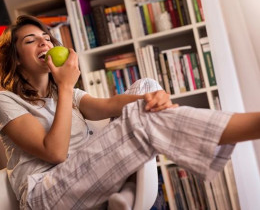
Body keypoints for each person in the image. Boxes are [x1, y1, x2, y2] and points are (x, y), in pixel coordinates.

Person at [0, 15, 259, 210]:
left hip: (87, 176)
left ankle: (127, 191)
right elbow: (55, 152)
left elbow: (111, 105)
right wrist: (66, 85)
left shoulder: (67, 96)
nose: (44, 42)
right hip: (45, 194)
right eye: (30, 41)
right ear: (17, 59)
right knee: (142, 120)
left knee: (146, 87)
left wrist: (153, 98)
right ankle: (252, 125)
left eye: (46, 37)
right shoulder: (6, 101)